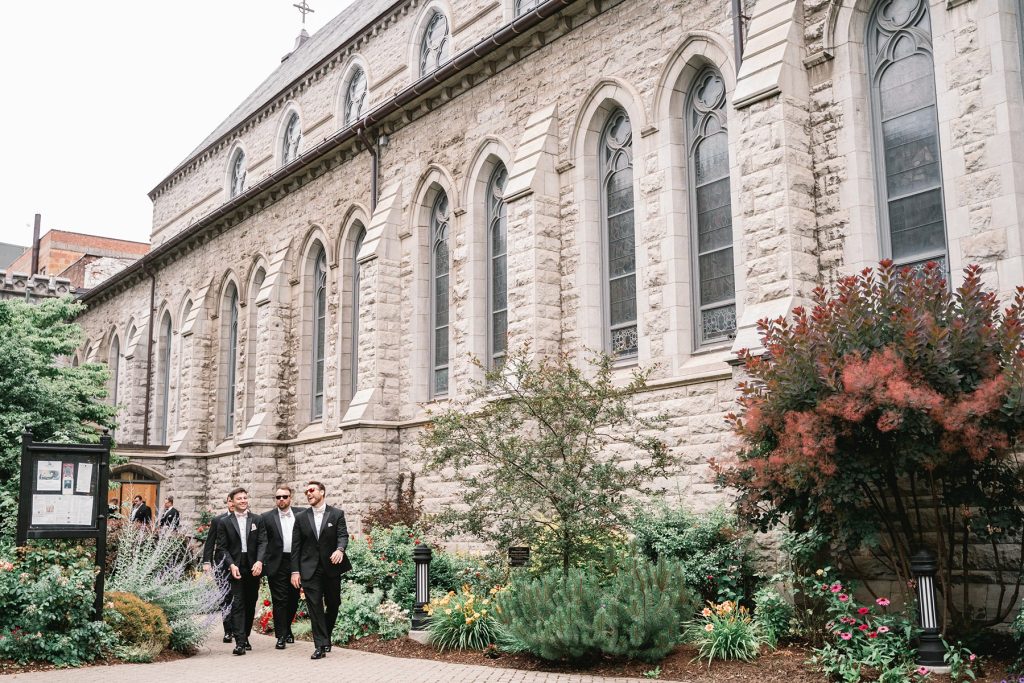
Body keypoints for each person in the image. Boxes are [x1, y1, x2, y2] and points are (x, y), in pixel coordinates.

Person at [291, 480, 351, 660]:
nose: (308, 494)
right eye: (306, 492)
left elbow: (343, 535)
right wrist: (295, 571)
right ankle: (320, 645)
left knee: (334, 604)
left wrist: (340, 550)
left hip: (331, 568)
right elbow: (296, 546)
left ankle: (326, 636)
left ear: (322, 492)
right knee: (315, 606)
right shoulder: (301, 517)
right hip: (309, 569)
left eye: (311, 490)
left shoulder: (337, 514)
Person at [216, 487, 266, 655]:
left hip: (253, 567)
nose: (243, 500)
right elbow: (222, 547)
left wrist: (259, 561)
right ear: (232, 502)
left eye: (245, 497)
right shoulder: (225, 522)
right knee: (237, 604)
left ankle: (245, 636)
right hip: (235, 567)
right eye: (239, 498)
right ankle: (239, 642)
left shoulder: (257, 520)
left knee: (251, 603)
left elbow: (263, 542)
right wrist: (230, 564)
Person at [262, 485, 303, 649]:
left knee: (293, 599)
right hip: (276, 563)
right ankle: (281, 636)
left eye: (284, 497)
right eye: (278, 497)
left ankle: (287, 629)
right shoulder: (266, 517)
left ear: (290, 498)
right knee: (279, 600)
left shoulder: (302, 513)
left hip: (296, 562)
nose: (281, 500)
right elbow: (262, 541)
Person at [203, 495, 236, 643]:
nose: (232, 504)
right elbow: (210, 542)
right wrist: (206, 562)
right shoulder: (218, 520)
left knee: (238, 597)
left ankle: (238, 628)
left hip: (239, 563)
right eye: (229, 501)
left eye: (233, 501)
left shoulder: (247, 518)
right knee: (225, 596)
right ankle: (228, 630)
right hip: (221, 563)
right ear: (228, 503)